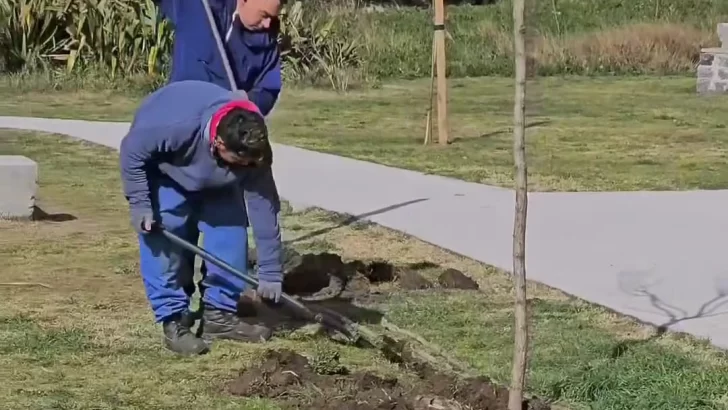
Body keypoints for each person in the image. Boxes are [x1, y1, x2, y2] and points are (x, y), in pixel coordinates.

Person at [119, 79, 283, 356]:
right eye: (240, 162)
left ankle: (219, 317)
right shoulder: (174, 125)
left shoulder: (254, 150)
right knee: (163, 245)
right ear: (218, 142)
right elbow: (132, 152)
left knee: (231, 239)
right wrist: (140, 204)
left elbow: (264, 207)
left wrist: (271, 271)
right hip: (166, 171)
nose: (248, 168)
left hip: (219, 185)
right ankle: (174, 322)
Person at [152, 0, 283, 307]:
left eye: (273, 18)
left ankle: (219, 308)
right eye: (264, 15)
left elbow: (269, 88)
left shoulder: (266, 41)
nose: (268, 24)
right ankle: (178, 306)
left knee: (228, 226)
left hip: (232, 140)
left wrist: (249, 103)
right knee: (175, 225)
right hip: (184, 140)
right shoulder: (199, 8)